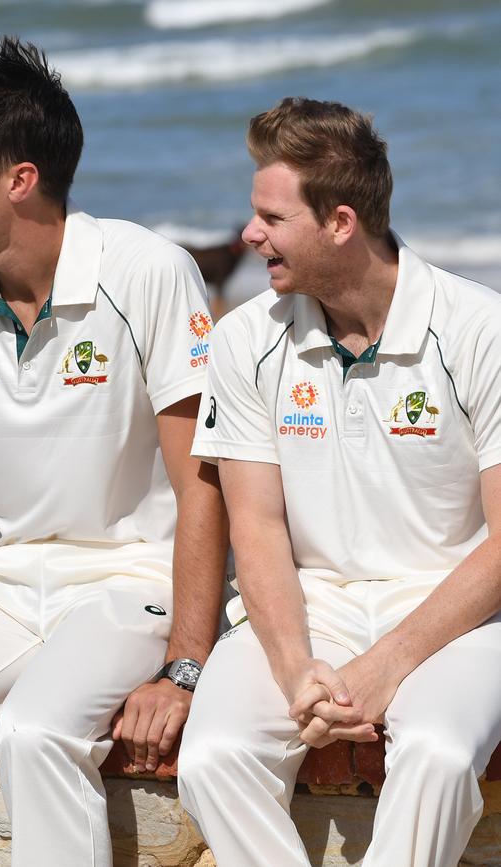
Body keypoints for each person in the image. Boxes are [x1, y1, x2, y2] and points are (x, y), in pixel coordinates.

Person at [0, 37, 227, 867]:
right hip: (5, 578)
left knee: (37, 729)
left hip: (136, 579)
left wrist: (187, 665)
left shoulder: (149, 272)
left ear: (19, 178)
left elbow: (202, 480)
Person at [178, 97, 501, 867]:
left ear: (341, 222)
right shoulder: (244, 339)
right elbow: (255, 526)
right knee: (211, 756)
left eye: (270, 218)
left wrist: (388, 662)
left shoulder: (480, 328)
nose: (250, 235)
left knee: (439, 752)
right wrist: (295, 669)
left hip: (453, 607)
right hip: (309, 603)